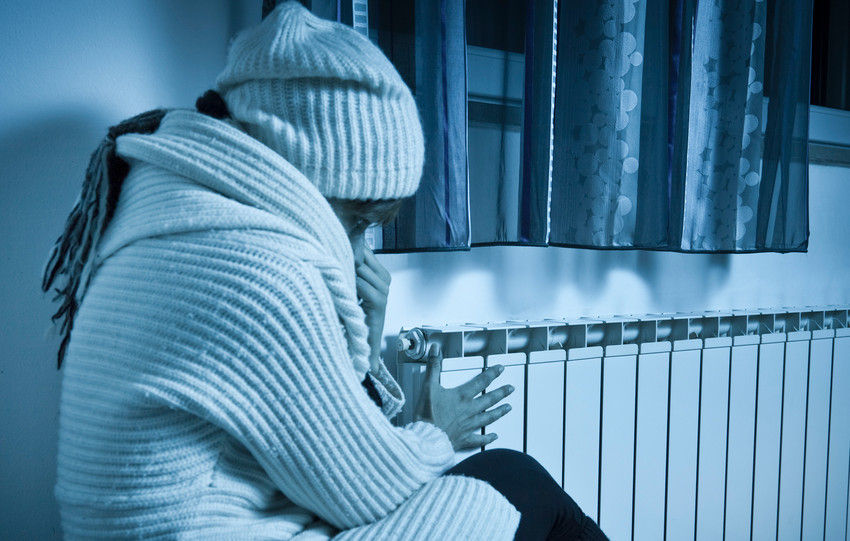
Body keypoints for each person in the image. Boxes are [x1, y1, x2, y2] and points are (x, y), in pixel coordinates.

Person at [42, 2, 605, 539]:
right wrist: (440, 431)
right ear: (306, 178)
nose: (361, 251)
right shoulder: (259, 270)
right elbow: (371, 491)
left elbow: (314, 453)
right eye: (358, 222)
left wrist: (365, 324)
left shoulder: (175, 216)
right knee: (516, 479)